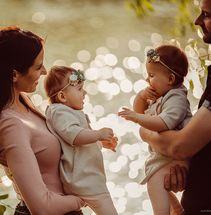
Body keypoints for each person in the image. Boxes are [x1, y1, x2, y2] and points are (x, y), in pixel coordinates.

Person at [139, 0, 211, 214]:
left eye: (207, 15)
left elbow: (180, 146)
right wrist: (185, 167)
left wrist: (144, 132)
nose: (197, 20)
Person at [0, 26, 84, 215]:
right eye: (38, 67)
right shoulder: (10, 124)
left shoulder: (22, 100)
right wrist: (85, 197)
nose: (45, 71)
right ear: (14, 74)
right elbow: (42, 208)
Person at [118, 45, 192, 215]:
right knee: (158, 183)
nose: (147, 79)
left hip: (176, 157)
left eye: (151, 75)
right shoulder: (163, 95)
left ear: (170, 79)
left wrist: (136, 118)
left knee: (155, 183)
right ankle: (176, 209)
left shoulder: (176, 98)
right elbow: (140, 112)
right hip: (165, 155)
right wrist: (141, 97)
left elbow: (163, 123)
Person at [44, 65, 118, 215]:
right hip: (85, 181)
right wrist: (98, 134)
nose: (84, 92)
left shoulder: (69, 112)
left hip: (86, 180)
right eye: (79, 89)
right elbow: (74, 135)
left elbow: (80, 143)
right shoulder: (59, 111)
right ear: (62, 96)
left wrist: (101, 143)